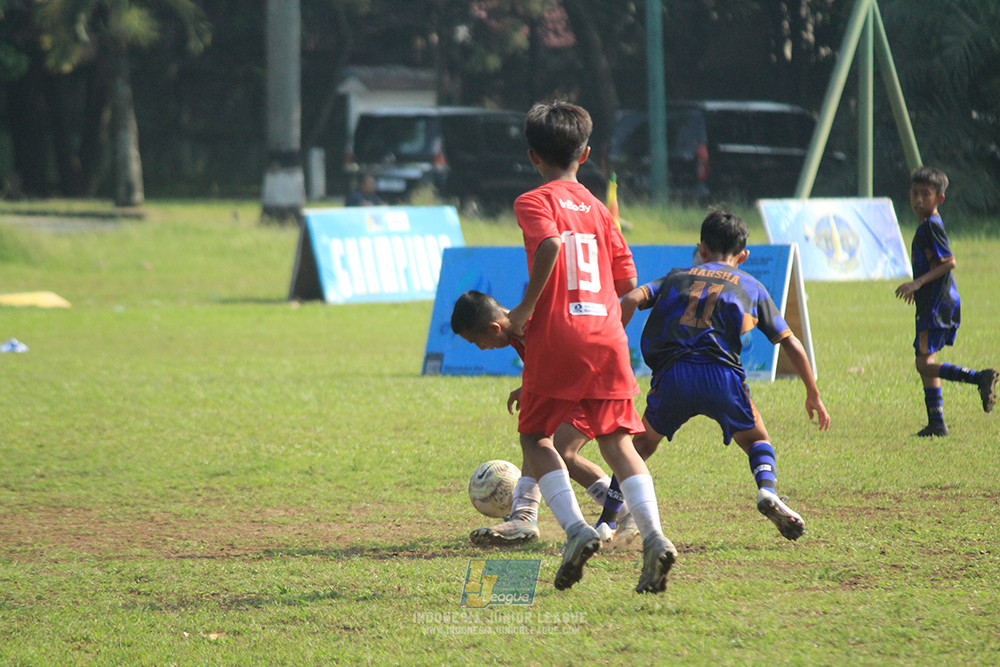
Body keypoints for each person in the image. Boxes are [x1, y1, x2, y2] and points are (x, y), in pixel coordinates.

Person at [507, 100, 675, 594]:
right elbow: (627, 285)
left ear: (534, 155)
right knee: (619, 443)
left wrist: (523, 310)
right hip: (607, 336)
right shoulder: (601, 210)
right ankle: (654, 536)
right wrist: (606, 329)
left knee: (536, 437)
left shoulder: (534, 201)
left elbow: (551, 247)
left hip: (559, 334)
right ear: (586, 153)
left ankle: (577, 529)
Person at [617, 209, 831, 541]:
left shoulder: (676, 276)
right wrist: (812, 392)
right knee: (757, 440)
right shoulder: (752, 285)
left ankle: (605, 521)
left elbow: (631, 297)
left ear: (701, 249)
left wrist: (612, 337)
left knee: (638, 446)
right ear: (743, 255)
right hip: (723, 377)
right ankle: (767, 491)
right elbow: (790, 342)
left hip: (674, 375)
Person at [450, 290, 640, 548]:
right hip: (571, 387)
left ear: (494, 328)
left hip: (590, 384)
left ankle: (528, 516)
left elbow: (567, 356)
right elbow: (543, 364)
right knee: (550, 447)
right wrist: (526, 386)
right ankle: (622, 511)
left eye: (477, 342)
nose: (482, 349)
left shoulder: (537, 325)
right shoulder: (517, 333)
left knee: (549, 445)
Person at [894, 166, 997, 436]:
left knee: (923, 363)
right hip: (934, 301)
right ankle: (936, 423)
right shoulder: (926, 225)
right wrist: (921, 288)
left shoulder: (931, 226)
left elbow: (949, 262)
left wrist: (917, 283)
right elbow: (932, 262)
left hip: (938, 305)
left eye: (925, 195)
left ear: (939, 198)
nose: (918, 200)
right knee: (925, 360)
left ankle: (979, 377)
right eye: (915, 194)